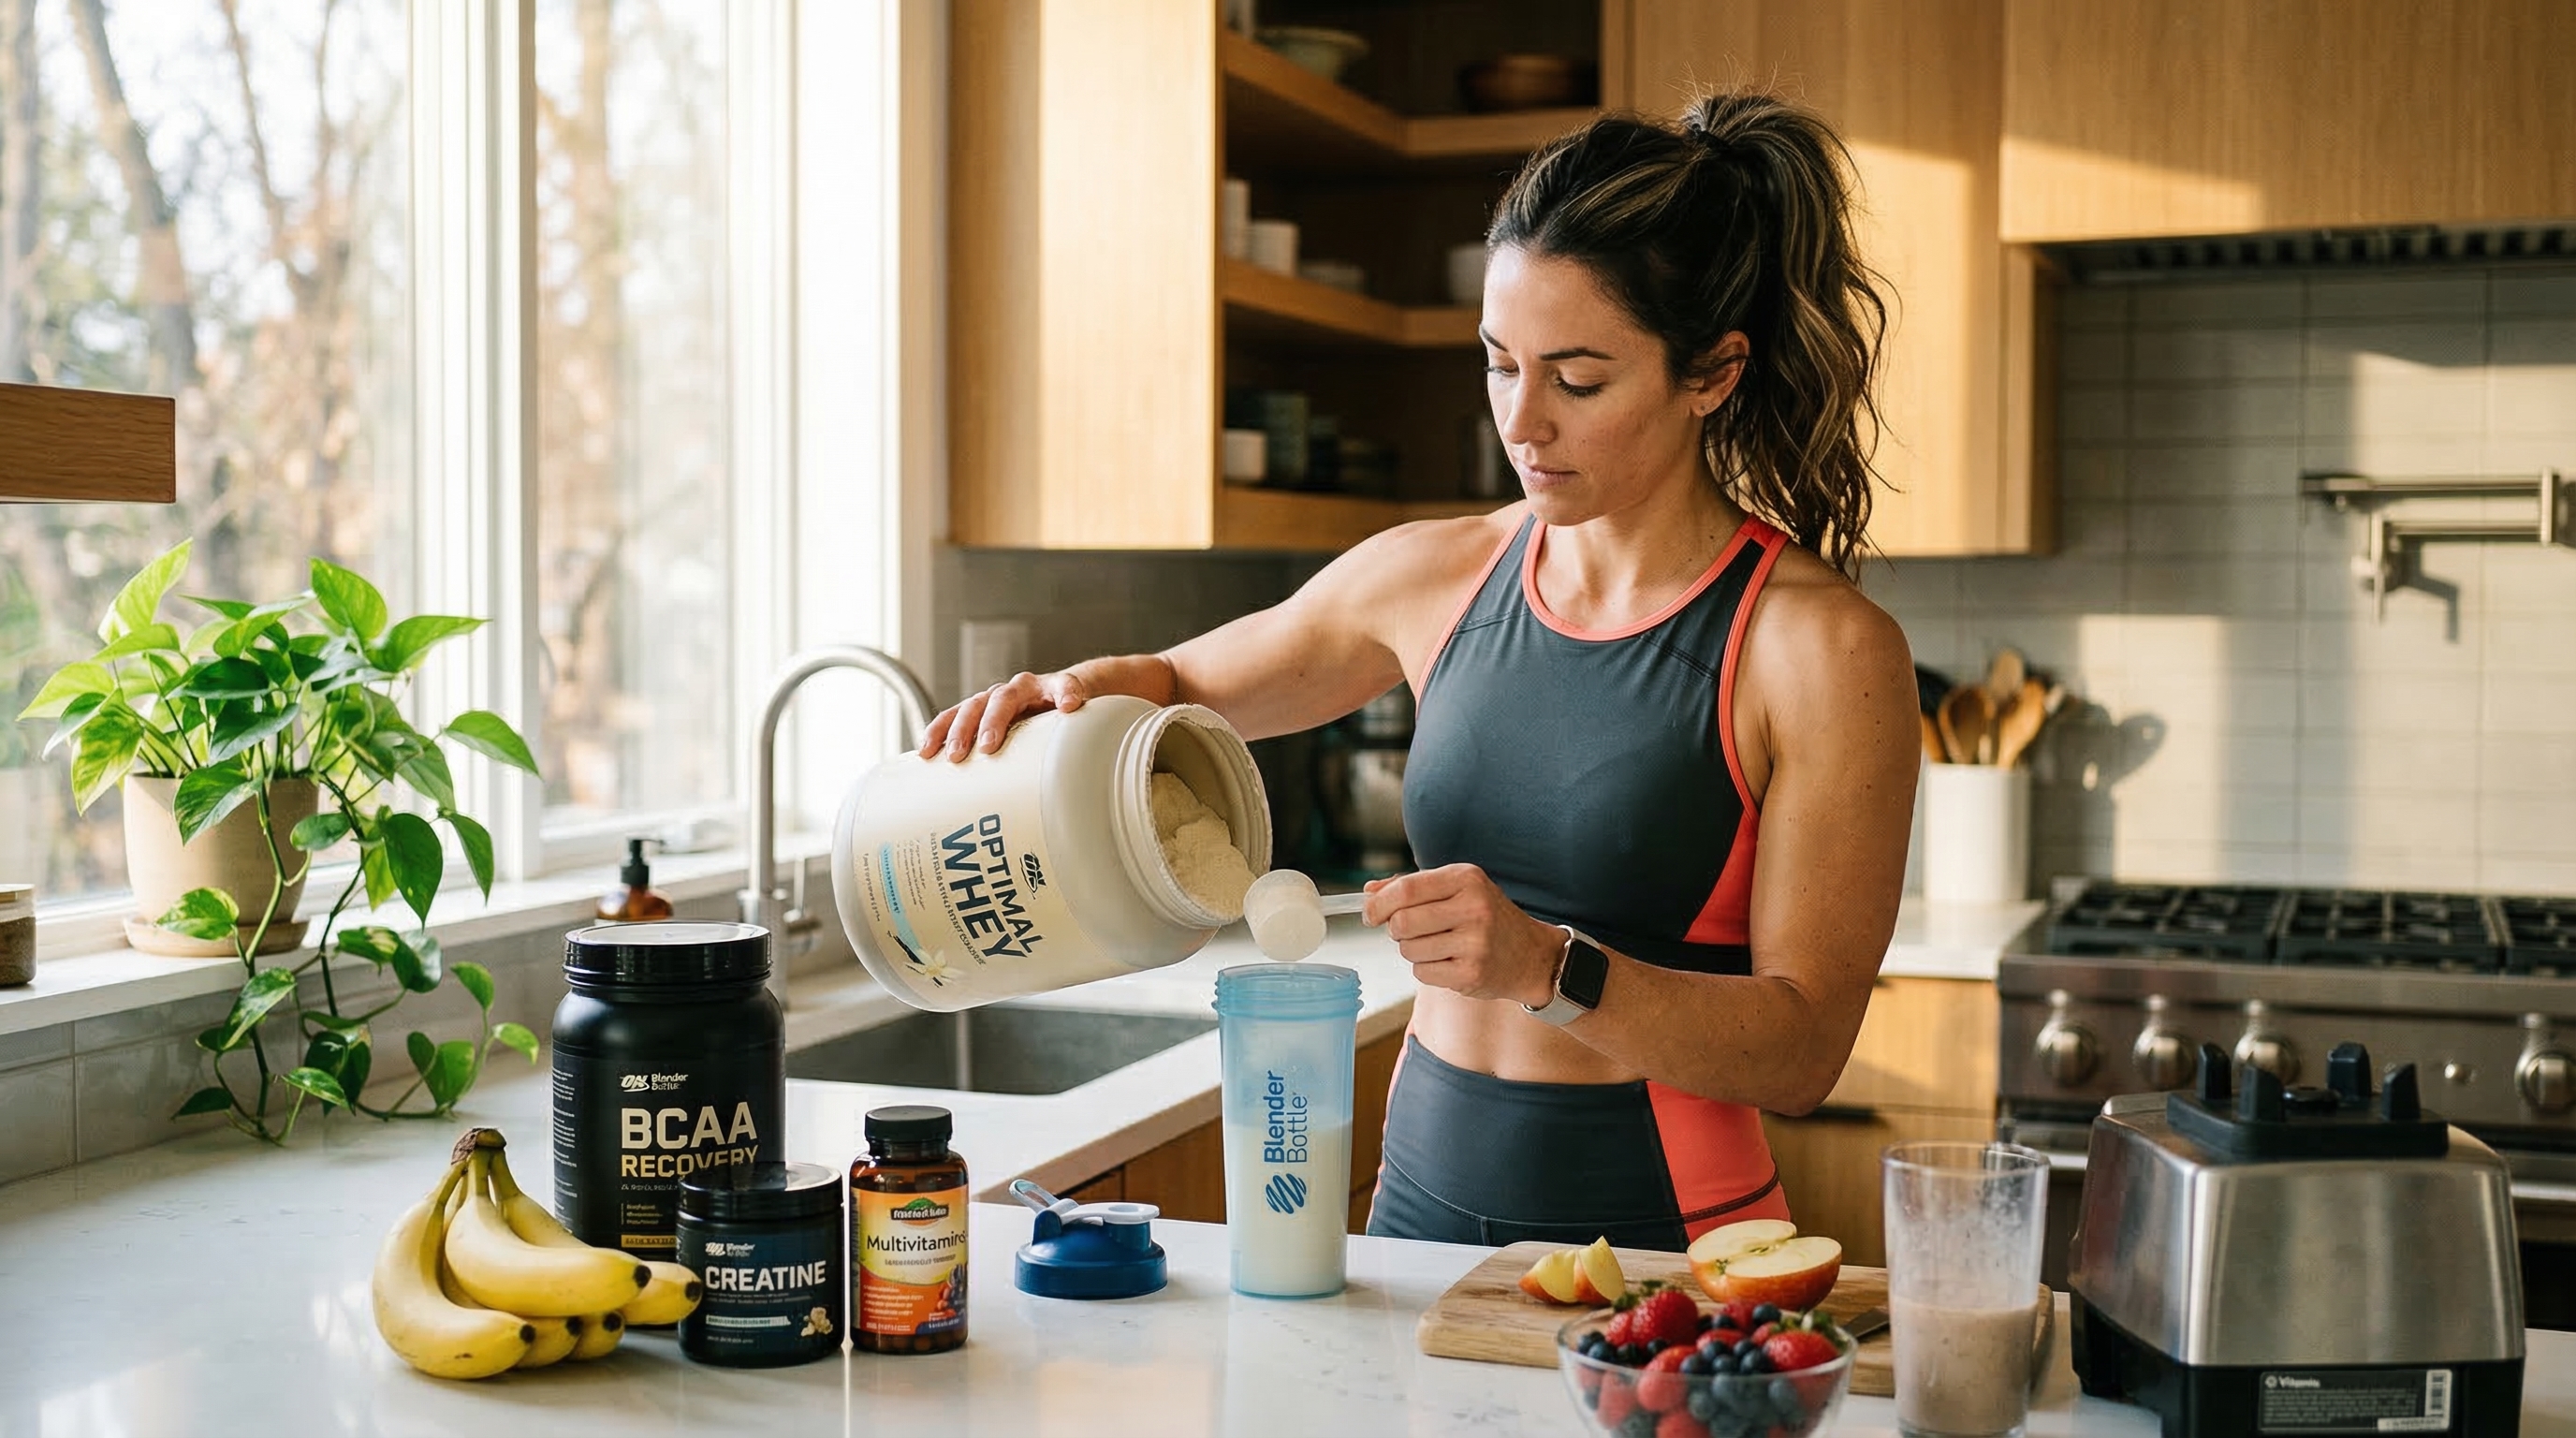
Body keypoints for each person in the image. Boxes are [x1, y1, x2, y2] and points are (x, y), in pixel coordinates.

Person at [920, 91, 1918, 1252]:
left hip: (1667, 1242)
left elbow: (1801, 1050)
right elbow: (1182, 687)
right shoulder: (1432, 577)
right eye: (1499, 364)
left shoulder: (1818, 648)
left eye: (1578, 380)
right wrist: (1069, 696)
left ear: (1712, 372)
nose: (1521, 421)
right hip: (1412, 1217)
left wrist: (1549, 967)